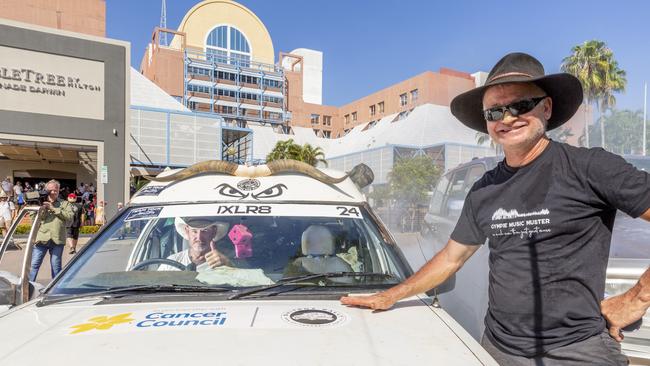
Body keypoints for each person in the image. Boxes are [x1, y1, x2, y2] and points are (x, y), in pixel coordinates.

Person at [341, 53, 650, 365]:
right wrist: (391, 295)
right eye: (495, 111)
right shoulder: (484, 189)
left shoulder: (590, 167)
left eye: (520, 105)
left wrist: (637, 297)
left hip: (578, 350)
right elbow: (451, 259)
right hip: (499, 349)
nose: (507, 118)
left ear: (546, 107)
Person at [29, 180, 73, 282]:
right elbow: (33, 219)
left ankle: (55, 290)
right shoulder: (39, 202)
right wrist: (42, 208)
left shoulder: (65, 203)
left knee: (56, 267)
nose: (53, 192)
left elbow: (69, 217)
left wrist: (53, 208)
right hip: (41, 238)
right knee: (34, 265)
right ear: (46, 190)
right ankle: (28, 288)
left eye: (55, 190)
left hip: (57, 239)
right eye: (51, 190)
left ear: (58, 190)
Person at [158, 217, 231, 271]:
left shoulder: (224, 261)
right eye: (194, 231)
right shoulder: (172, 261)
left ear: (214, 232)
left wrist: (228, 266)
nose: (199, 237)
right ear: (187, 231)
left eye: (205, 231)